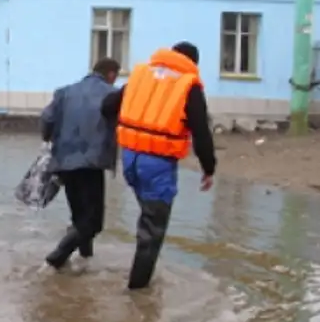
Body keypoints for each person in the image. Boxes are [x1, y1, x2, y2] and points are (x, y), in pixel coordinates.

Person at [101, 42, 216, 290]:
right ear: (193, 63)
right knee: (152, 230)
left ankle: (140, 276)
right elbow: (201, 132)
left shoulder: (141, 77)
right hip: (158, 164)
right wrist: (209, 168)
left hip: (130, 158)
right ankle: (138, 293)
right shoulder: (188, 85)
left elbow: (107, 106)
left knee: (147, 217)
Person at [40, 58, 121, 272]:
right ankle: (55, 259)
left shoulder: (64, 92)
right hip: (91, 163)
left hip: (63, 162)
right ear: (111, 74)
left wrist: (49, 139)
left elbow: (47, 118)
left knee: (79, 217)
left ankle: (86, 259)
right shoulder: (112, 94)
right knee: (94, 223)